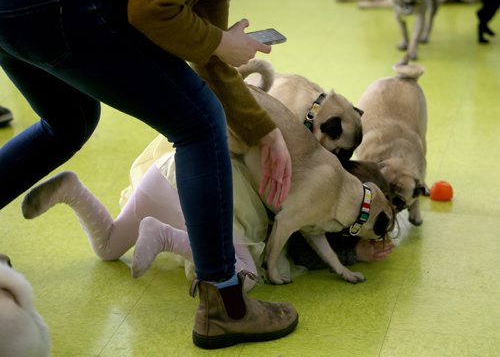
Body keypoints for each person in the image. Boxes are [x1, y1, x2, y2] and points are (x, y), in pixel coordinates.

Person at [0, 0, 297, 349]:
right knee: (200, 124)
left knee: (70, 122)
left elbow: (208, 54)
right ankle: (226, 304)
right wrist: (220, 42)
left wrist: (264, 130)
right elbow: (151, 9)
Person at [22, 141, 395, 293]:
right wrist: (352, 254)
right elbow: (298, 250)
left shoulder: (305, 158)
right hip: (210, 198)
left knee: (108, 246)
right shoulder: (318, 205)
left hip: (169, 170)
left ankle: (73, 189)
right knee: (243, 278)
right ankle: (165, 236)